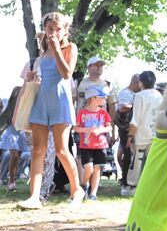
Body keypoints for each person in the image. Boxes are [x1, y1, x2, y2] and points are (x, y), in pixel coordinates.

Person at [16, 12, 85, 209]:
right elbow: (42, 75)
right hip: (41, 102)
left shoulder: (70, 48)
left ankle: (77, 189)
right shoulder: (43, 50)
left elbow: (66, 74)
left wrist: (56, 49)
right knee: (38, 150)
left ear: (65, 31)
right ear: (45, 30)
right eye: (50, 29)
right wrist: (31, 76)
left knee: (62, 149)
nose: (54, 32)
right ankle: (34, 197)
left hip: (60, 102)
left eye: (57, 29)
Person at [74, 55, 118, 185]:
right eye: (96, 65)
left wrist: (113, 132)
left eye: (101, 65)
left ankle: (94, 187)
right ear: (89, 67)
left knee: (99, 158)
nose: (100, 67)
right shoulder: (79, 82)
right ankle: (83, 185)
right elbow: (72, 103)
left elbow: (112, 108)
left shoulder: (107, 85)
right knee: (82, 156)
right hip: (82, 127)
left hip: (101, 129)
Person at [123, 71, 163, 196]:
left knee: (136, 161)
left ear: (141, 82)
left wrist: (130, 136)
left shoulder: (139, 96)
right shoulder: (159, 96)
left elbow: (135, 119)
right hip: (155, 133)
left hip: (141, 135)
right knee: (152, 162)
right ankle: (152, 187)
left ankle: (133, 187)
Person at [73, 85, 112, 200]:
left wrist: (101, 130)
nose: (105, 99)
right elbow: (75, 128)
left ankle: (93, 193)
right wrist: (86, 130)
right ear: (93, 98)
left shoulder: (103, 113)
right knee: (88, 168)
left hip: (101, 145)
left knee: (97, 169)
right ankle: (84, 185)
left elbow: (109, 127)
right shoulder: (82, 113)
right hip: (86, 146)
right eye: (102, 97)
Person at [115, 74, 140, 189]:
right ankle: (125, 181)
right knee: (128, 154)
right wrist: (136, 105)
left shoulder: (134, 94)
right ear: (136, 82)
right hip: (125, 128)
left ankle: (128, 180)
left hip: (131, 127)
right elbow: (122, 108)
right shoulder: (125, 93)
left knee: (131, 155)